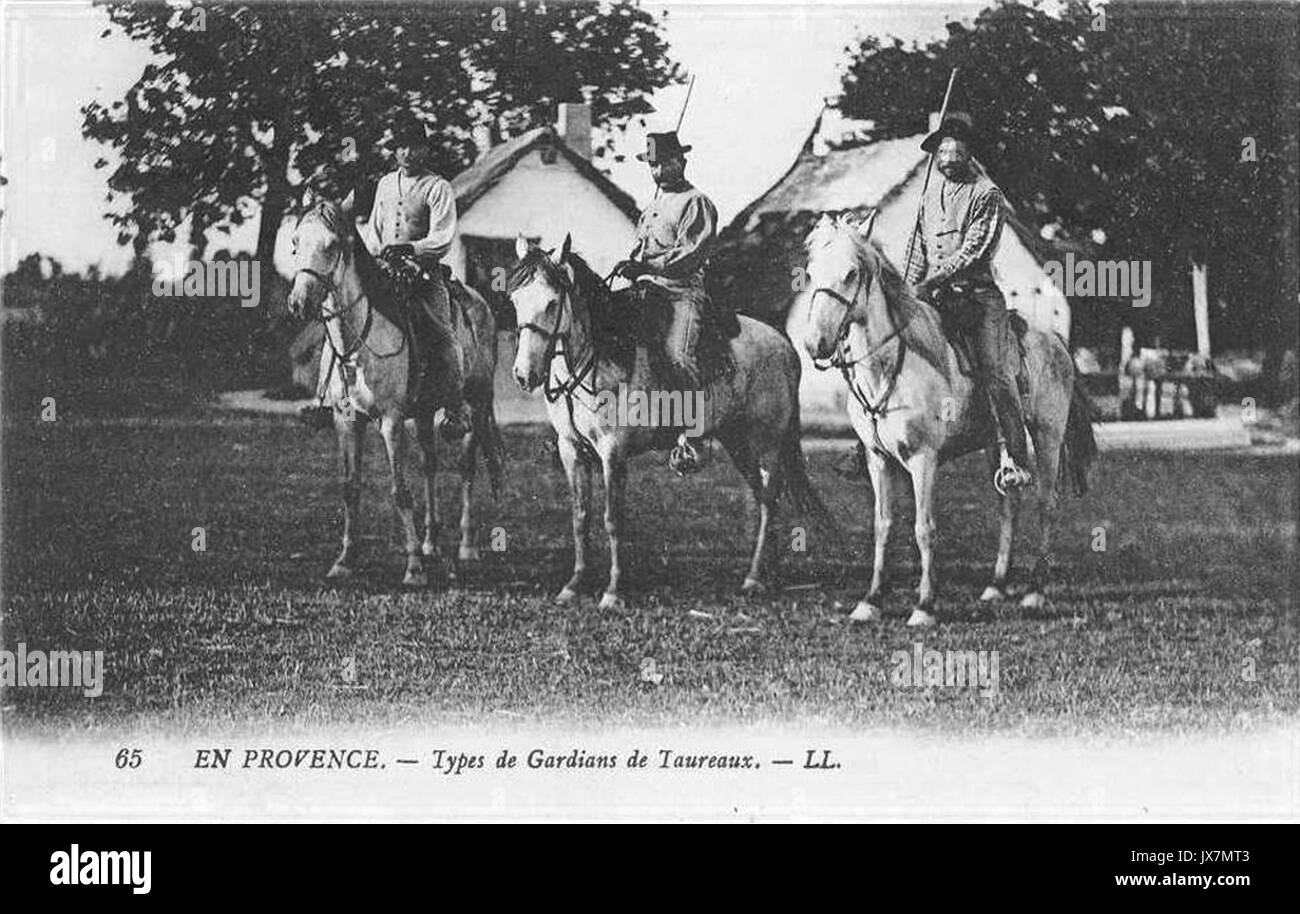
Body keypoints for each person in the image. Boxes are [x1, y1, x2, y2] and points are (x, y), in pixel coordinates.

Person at [906, 113, 1032, 491]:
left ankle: (1015, 457)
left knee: (995, 371)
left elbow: (971, 251)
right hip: (934, 295)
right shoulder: (928, 195)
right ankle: (873, 440)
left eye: (956, 150)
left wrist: (930, 281)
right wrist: (908, 288)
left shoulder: (987, 194)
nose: (948, 156)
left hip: (977, 297)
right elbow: (916, 249)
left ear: (969, 153)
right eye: (942, 150)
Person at [353, 113, 471, 438]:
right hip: (385, 272)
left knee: (443, 334)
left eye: (413, 147)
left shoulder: (437, 187)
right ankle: (334, 396)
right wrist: (379, 254)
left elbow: (443, 237)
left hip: (424, 276)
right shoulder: (385, 184)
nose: (406, 153)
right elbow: (375, 229)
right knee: (350, 316)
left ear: (425, 150)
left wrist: (411, 249)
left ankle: (455, 408)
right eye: (400, 147)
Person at [613, 131, 720, 390]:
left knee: (679, 357)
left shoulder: (696, 202)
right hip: (645, 290)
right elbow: (641, 250)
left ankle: (696, 420)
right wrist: (631, 265)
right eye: (652, 164)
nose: (658, 170)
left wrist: (648, 265)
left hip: (680, 293)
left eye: (664, 162)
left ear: (681, 162)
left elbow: (690, 253)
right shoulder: (652, 207)